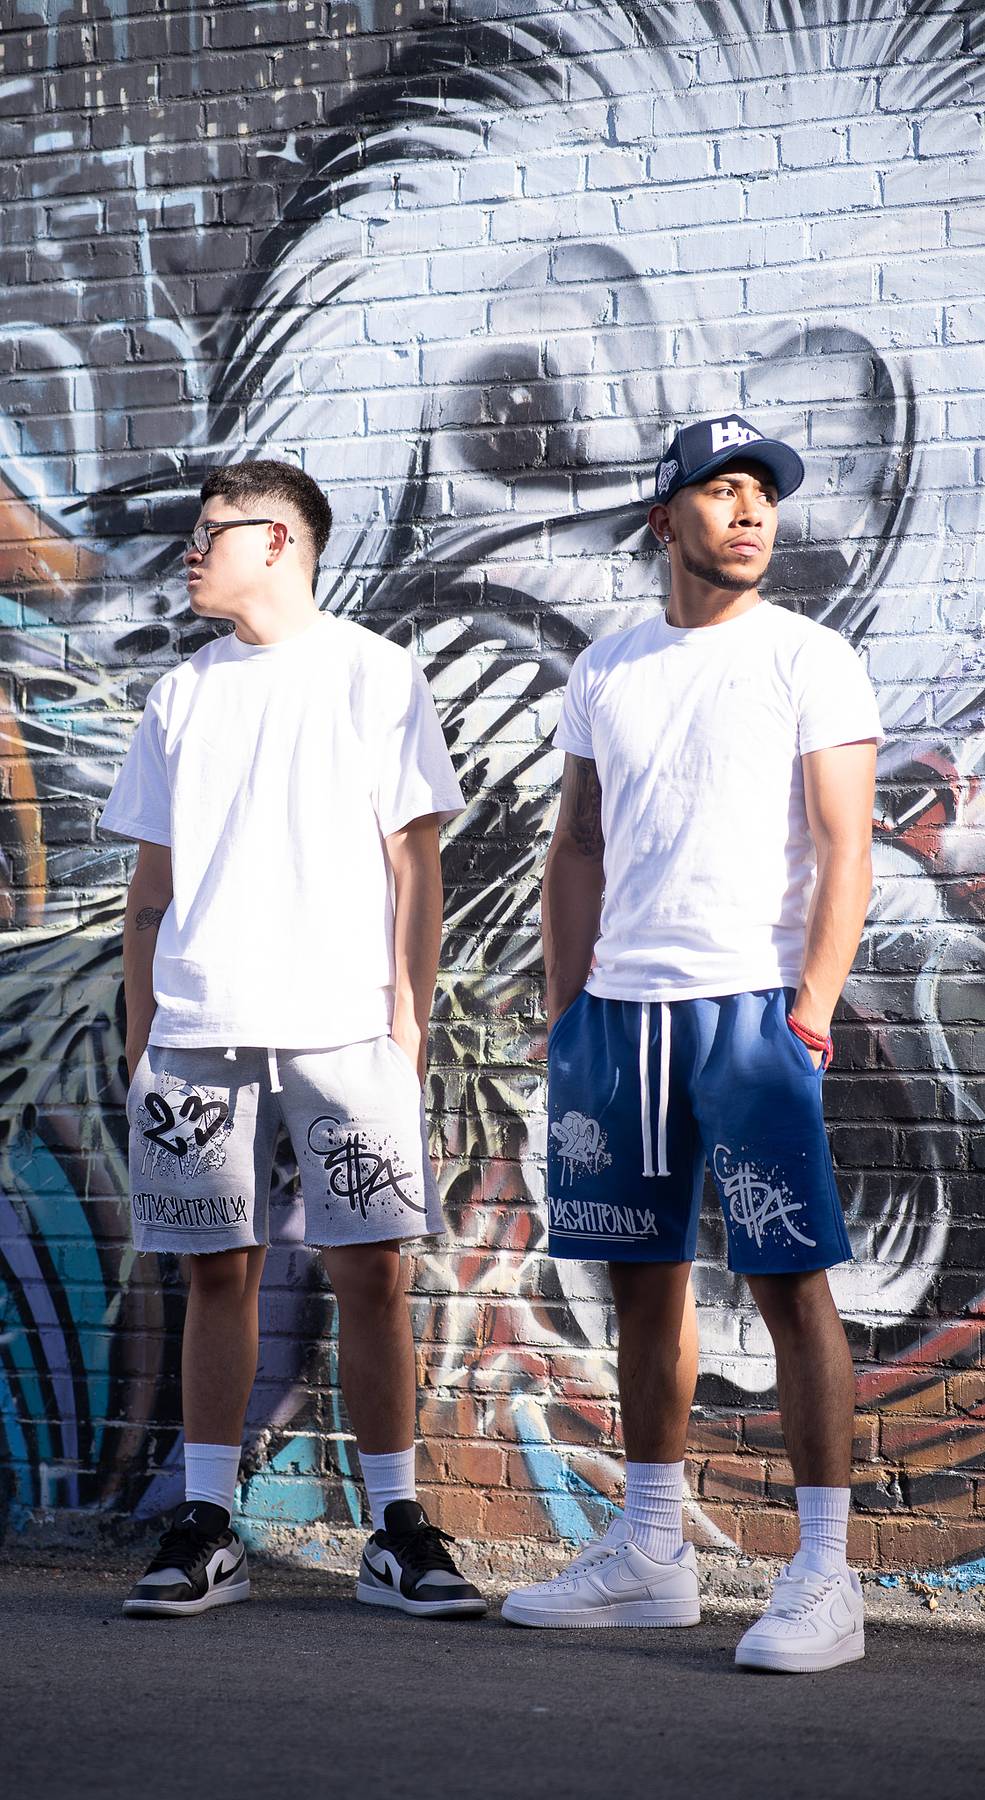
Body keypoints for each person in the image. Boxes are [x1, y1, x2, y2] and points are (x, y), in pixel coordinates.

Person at [501, 415, 881, 1673]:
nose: (750, 510)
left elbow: (845, 849)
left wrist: (809, 1012)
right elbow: (578, 847)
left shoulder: (809, 657)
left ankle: (824, 1573)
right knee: (640, 1283)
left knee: (789, 1282)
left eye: (762, 492)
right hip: (618, 1020)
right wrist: (569, 1012)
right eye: (721, 491)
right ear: (664, 519)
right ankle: (652, 1551)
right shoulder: (607, 669)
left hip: (753, 1011)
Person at [100, 459, 486, 1620]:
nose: (189, 551)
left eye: (209, 531)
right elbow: (150, 890)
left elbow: (416, 865)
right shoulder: (182, 695)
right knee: (216, 1273)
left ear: (279, 541)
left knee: (372, 1270)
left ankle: (397, 1529)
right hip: (197, 1033)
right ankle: (205, 1524)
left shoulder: (373, 673)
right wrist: (141, 1036)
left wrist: (405, 1018)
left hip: (343, 1028)